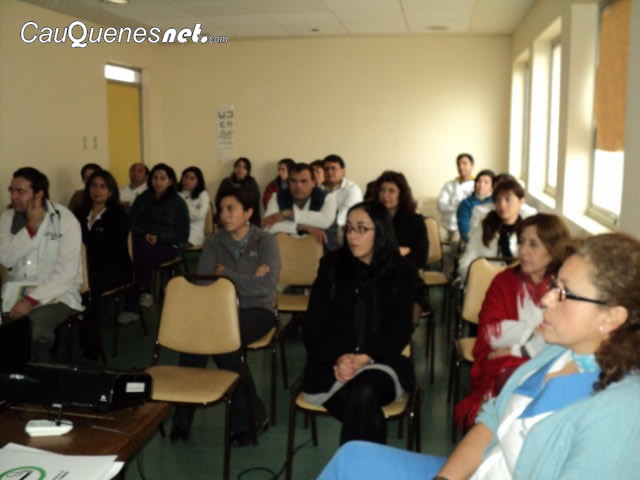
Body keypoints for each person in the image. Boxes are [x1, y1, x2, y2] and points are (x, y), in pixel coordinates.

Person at [319, 232, 640, 480]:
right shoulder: (557, 352)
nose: (546, 299)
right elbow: (492, 422)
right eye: (554, 285)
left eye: (565, 293)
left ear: (611, 318)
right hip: (486, 468)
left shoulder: (622, 413)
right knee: (352, 458)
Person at [302, 201, 418, 445]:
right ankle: (364, 465)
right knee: (368, 414)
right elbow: (313, 326)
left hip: (381, 362)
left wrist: (367, 357)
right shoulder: (332, 266)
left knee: (364, 392)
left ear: (381, 231)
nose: (352, 236)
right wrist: (339, 359)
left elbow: (399, 330)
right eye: (349, 228)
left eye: (362, 229)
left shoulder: (402, 271)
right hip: (331, 367)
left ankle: (351, 465)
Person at [171, 188, 280, 446]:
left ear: (249, 212)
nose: (224, 214)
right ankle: (248, 417)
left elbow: (265, 287)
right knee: (197, 340)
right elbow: (205, 282)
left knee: (223, 341)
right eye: (221, 209)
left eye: (231, 208)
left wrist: (226, 274)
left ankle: (245, 418)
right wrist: (248, 278)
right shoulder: (214, 241)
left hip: (258, 310)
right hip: (219, 310)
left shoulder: (265, 241)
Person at [454, 214, 570, 429]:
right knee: (511, 375)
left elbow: (566, 337)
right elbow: (490, 332)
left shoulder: (565, 286)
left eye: (533, 244)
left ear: (553, 249)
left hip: (550, 358)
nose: (523, 251)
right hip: (505, 361)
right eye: (521, 242)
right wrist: (537, 333)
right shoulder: (504, 282)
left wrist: (518, 348)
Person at [0, 167, 83, 363]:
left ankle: (38, 373)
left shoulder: (65, 220)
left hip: (57, 293)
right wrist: (31, 228)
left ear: (39, 194)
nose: (14, 196)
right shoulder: (7, 218)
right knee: (9, 330)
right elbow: (5, 258)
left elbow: (66, 274)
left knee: (35, 331)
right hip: (15, 291)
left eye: (21, 191)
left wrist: (31, 300)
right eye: (12, 190)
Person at [74, 170, 135, 342]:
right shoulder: (79, 213)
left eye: (103, 186)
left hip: (115, 268)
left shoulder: (118, 215)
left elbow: (113, 251)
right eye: (94, 185)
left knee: (89, 286)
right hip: (84, 267)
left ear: (110, 192)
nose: (97, 190)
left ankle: (91, 343)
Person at [129, 163, 189, 307]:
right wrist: (144, 234)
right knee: (138, 247)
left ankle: (144, 290)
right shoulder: (143, 198)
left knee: (146, 250)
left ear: (170, 181)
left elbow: (183, 234)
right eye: (155, 178)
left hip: (167, 245)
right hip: (143, 239)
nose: (158, 182)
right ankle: (138, 289)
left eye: (162, 178)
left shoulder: (178, 202)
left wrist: (160, 238)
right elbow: (131, 221)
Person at [457, 178, 525, 282]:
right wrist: (477, 279)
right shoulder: (484, 226)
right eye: (498, 200)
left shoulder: (527, 230)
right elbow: (467, 259)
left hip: (515, 284)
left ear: (521, 201)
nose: (502, 205)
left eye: (508, 199)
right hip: (484, 282)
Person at [262, 163, 338, 250]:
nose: (298, 186)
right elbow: (266, 227)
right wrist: (301, 227)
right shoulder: (277, 197)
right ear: (288, 182)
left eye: (304, 181)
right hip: (286, 251)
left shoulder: (328, 197)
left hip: (324, 253)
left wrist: (289, 214)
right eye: (293, 181)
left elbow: (325, 221)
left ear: (313, 182)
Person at [375, 171, 427, 270]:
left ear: (401, 194)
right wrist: (398, 251)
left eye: (391, 191)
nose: (385, 195)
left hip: (404, 273)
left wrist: (385, 254)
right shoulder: (371, 218)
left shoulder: (415, 221)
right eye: (382, 190)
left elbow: (420, 259)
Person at [437, 153, 475, 242]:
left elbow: (470, 208)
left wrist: (451, 204)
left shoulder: (476, 186)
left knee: (456, 243)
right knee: (432, 239)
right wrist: (460, 206)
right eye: (458, 164)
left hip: (462, 225)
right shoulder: (449, 184)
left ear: (472, 166)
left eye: (464, 163)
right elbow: (440, 206)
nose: (461, 167)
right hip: (445, 224)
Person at [214, 157, 261, 226]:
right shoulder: (226, 182)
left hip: (247, 219)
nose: (240, 169)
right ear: (235, 168)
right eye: (238, 166)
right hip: (226, 216)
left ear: (247, 171)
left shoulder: (251, 184)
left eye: (244, 168)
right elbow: (218, 200)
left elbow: (250, 203)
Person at [322, 154, 363, 227]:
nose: (329, 172)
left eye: (333, 168)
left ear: (343, 171)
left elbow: (347, 214)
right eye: (326, 169)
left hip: (344, 228)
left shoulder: (352, 189)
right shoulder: (317, 188)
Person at [456, 169, 495, 243]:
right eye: (478, 181)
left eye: (486, 182)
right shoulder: (465, 203)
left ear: (493, 186)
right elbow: (464, 228)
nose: (481, 185)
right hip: (472, 240)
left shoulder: (496, 202)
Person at [177, 166, 211, 247]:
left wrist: (183, 208)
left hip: (193, 235)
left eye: (192, 179)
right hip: (176, 232)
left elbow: (198, 215)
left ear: (198, 182)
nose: (187, 181)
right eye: (186, 177)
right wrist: (193, 209)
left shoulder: (203, 194)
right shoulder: (176, 193)